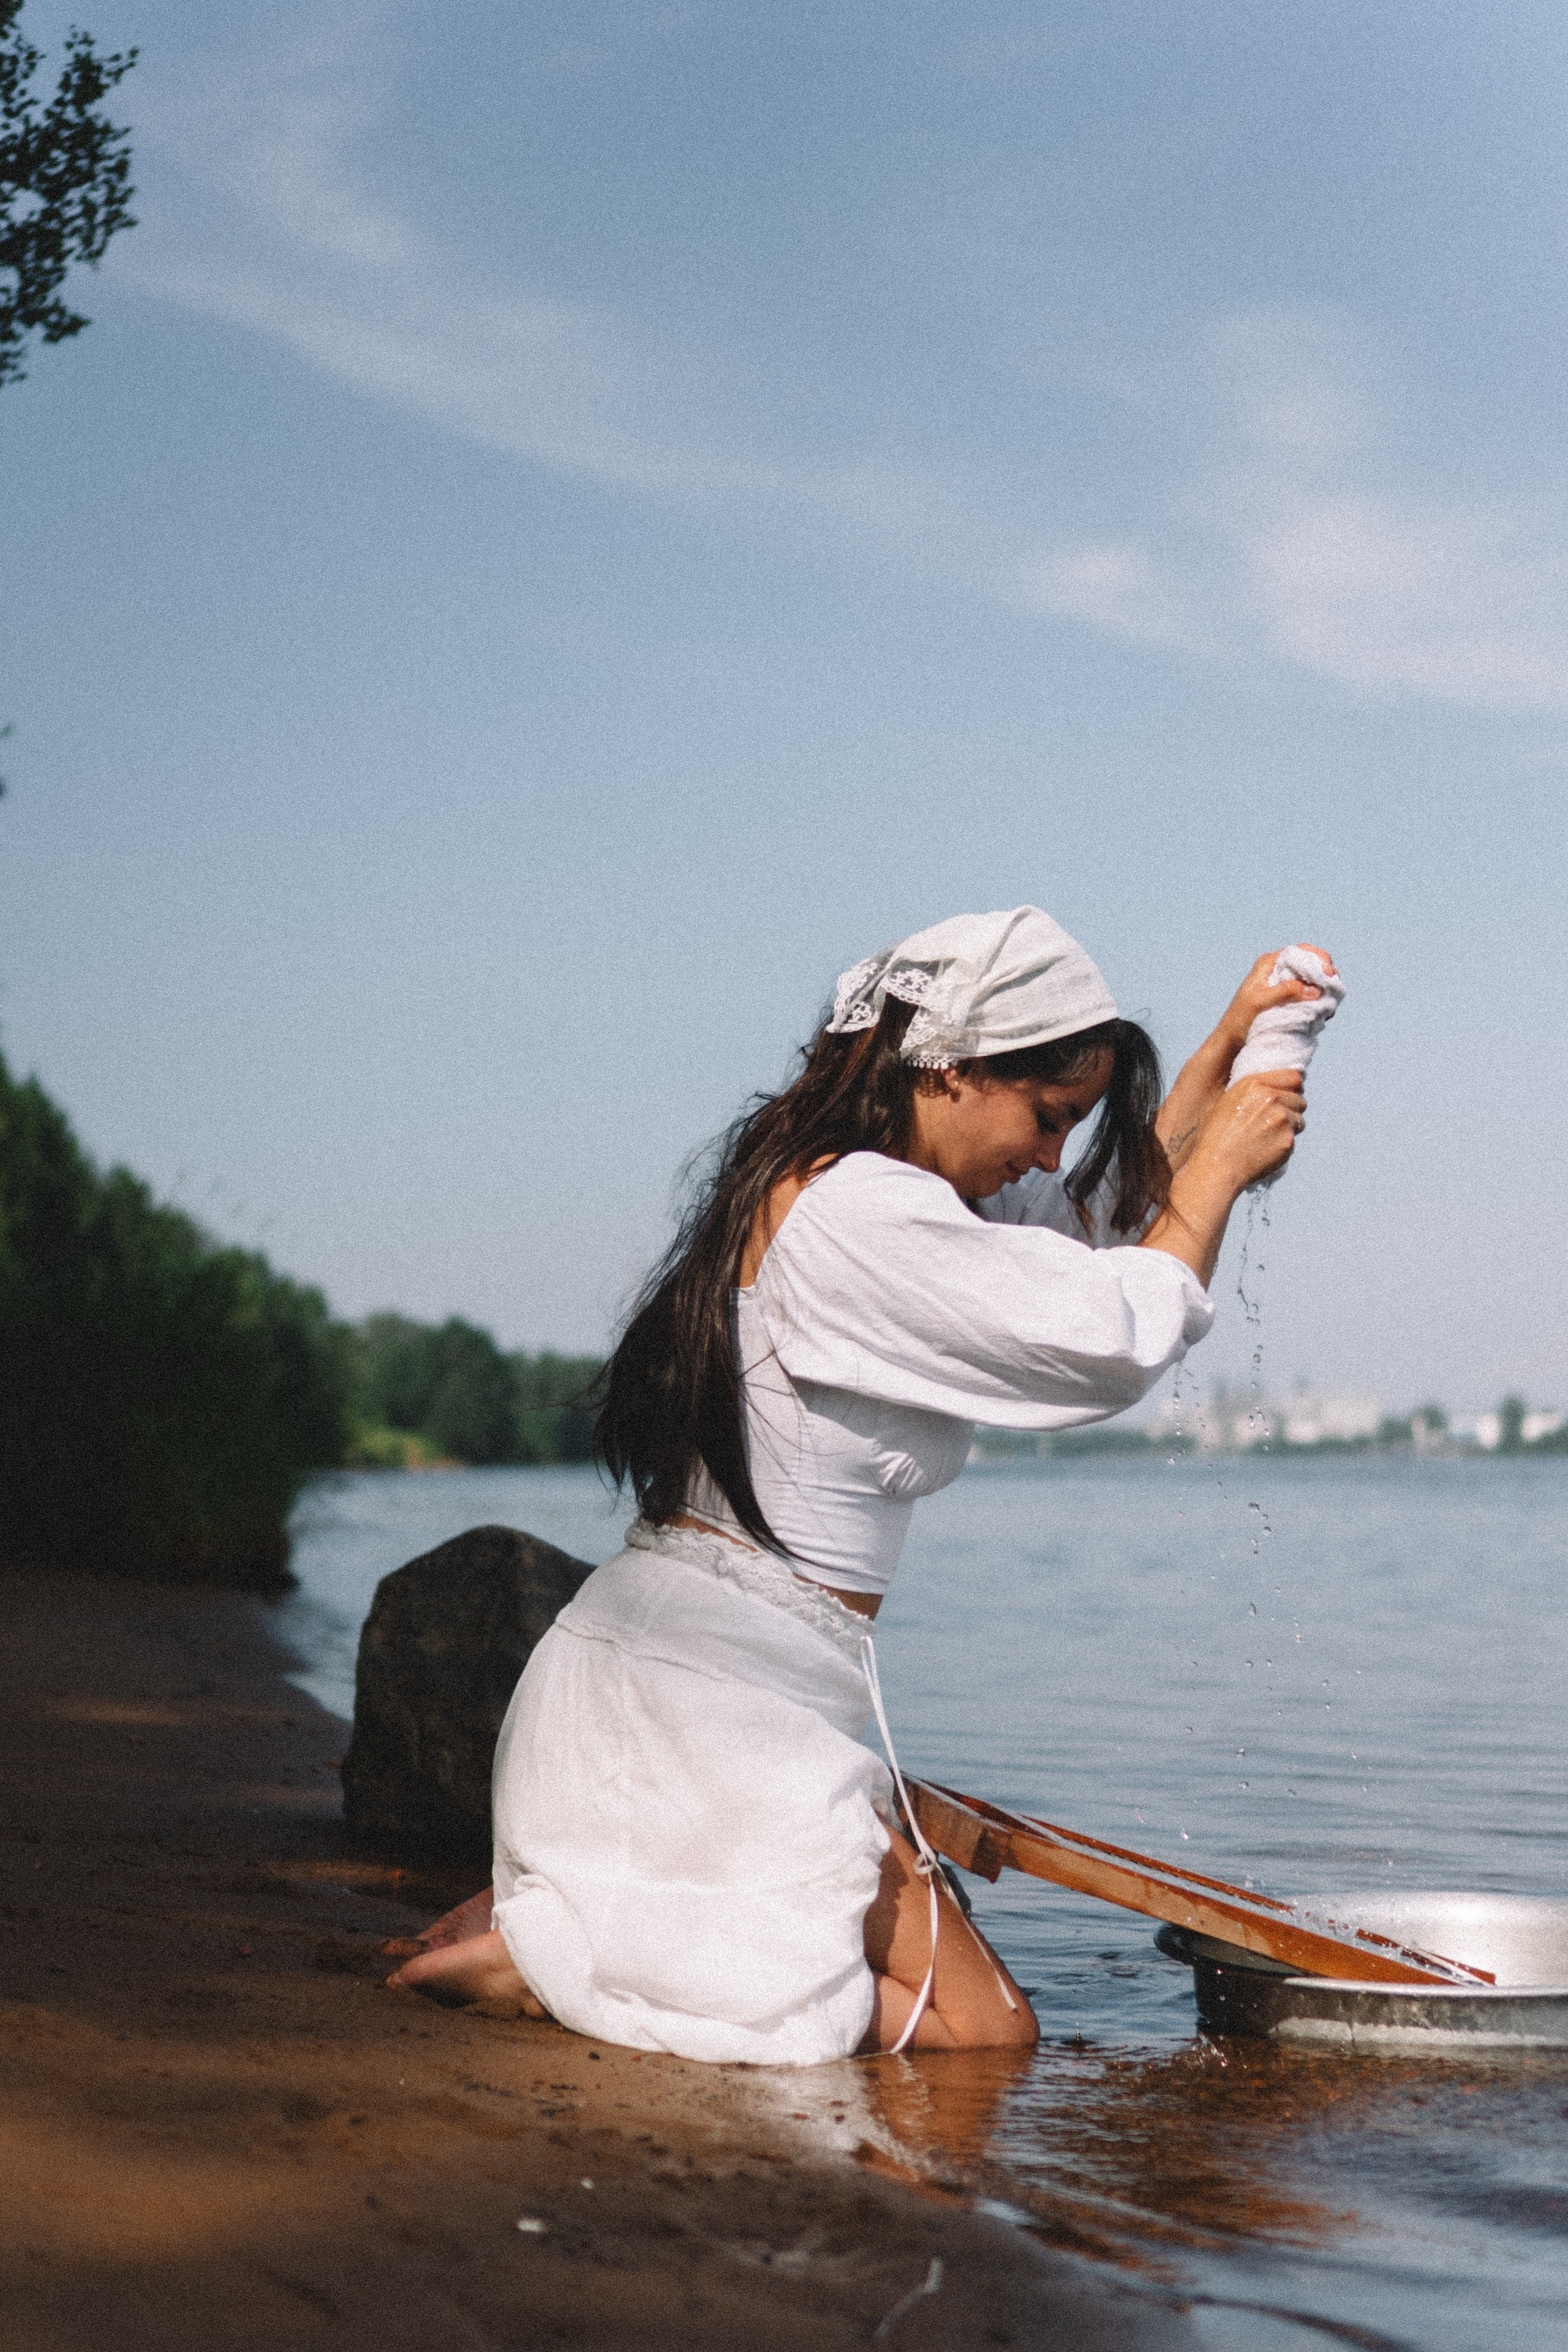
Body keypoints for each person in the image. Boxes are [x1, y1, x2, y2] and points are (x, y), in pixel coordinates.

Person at [388, 910, 1327, 2061]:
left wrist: (1220, 1054)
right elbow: (1103, 1334)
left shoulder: (852, 1193)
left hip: (712, 1693)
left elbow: (1093, 1237)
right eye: (1045, 1120)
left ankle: (602, 1925)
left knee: (964, 2016)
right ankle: (568, 1954)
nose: (1048, 1157)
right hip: (710, 1715)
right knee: (982, 2037)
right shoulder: (855, 1216)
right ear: (949, 1068)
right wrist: (1226, 1161)